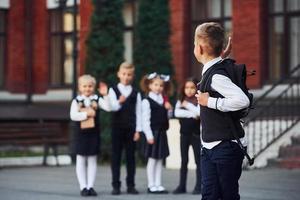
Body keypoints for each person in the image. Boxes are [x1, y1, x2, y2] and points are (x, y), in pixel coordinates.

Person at [194, 22, 250, 200]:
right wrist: (221, 56)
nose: (194, 48)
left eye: (195, 44)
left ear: (201, 48)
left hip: (225, 147)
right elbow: (216, 69)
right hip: (210, 146)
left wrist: (209, 101)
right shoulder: (214, 69)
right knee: (210, 195)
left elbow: (243, 100)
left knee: (228, 196)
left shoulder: (216, 75)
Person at [70, 74, 110, 197]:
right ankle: (83, 187)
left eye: (90, 86)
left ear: (93, 87)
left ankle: (90, 186)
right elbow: (73, 116)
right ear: (80, 87)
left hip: (93, 133)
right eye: (84, 86)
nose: (87, 89)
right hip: (81, 134)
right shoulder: (76, 101)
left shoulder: (97, 99)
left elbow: (108, 108)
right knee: (81, 159)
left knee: (92, 160)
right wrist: (87, 114)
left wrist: (105, 95)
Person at [107, 62, 142, 195]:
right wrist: (119, 101)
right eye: (124, 74)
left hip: (131, 130)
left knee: (130, 158)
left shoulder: (135, 93)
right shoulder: (113, 90)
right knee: (115, 157)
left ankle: (130, 185)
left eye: (129, 75)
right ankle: (116, 185)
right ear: (119, 74)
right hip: (117, 129)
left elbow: (139, 112)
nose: (126, 77)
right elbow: (112, 107)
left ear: (132, 76)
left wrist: (138, 130)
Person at [140, 72, 172, 194]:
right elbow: (145, 120)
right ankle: (151, 184)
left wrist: (169, 109)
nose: (158, 87)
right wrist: (149, 135)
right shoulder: (147, 101)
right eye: (156, 84)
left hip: (162, 132)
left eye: (161, 85)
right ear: (149, 86)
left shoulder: (163, 101)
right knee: (152, 160)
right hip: (153, 133)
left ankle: (158, 184)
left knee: (160, 159)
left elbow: (167, 117)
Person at [173, 78, 201, 195]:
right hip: (184, 135)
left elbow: (199, 113)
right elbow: (177, 113)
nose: (189, 90)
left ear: (196, 89)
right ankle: (182, 186)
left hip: (195, 135)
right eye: (187, 88)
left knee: (198, 161)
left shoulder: (198, 100)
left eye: (192, 88)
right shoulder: (181, 100)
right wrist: (191, 113)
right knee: (184, 161)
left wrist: (188, 106)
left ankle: (199, 186)